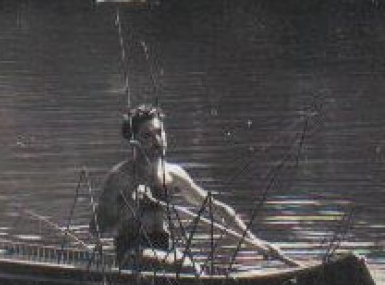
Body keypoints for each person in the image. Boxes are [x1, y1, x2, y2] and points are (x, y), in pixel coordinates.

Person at [92, 104, 290, 267]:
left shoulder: (174, 174)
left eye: (160, 133)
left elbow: (218, 209)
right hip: (131, 254)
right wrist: (130, 208)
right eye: (147, 136)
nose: (157, 141)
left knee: (194, 267)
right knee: (188, 267)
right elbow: (97, 229)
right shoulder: (120, 177)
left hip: (165, 252)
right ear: (133, 142)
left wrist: (256, 242)